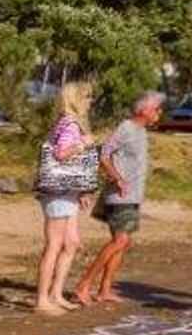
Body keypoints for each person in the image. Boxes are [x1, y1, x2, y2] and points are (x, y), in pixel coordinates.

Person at [70, 90, 164, 307]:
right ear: (144, 110)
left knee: (124, 242)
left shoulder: (141, 131)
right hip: (120, 195)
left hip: (132, 196)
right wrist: (117, 179)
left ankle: (104, 289)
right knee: (120, 241)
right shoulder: (126, 128)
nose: (160, 112)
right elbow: (103, 155)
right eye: (156, 109)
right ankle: (83, 285)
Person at [33, 81, 99, 315]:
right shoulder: (70, 124)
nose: (91, 101)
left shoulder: (68, 123)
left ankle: (56, 293)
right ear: (76, 99)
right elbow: (61, 154)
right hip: (58, 190)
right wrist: (83, 144)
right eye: (88, 96)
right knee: (54, 244)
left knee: (70, 243)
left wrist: (82, 190)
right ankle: (42, 300)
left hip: (68, 190)